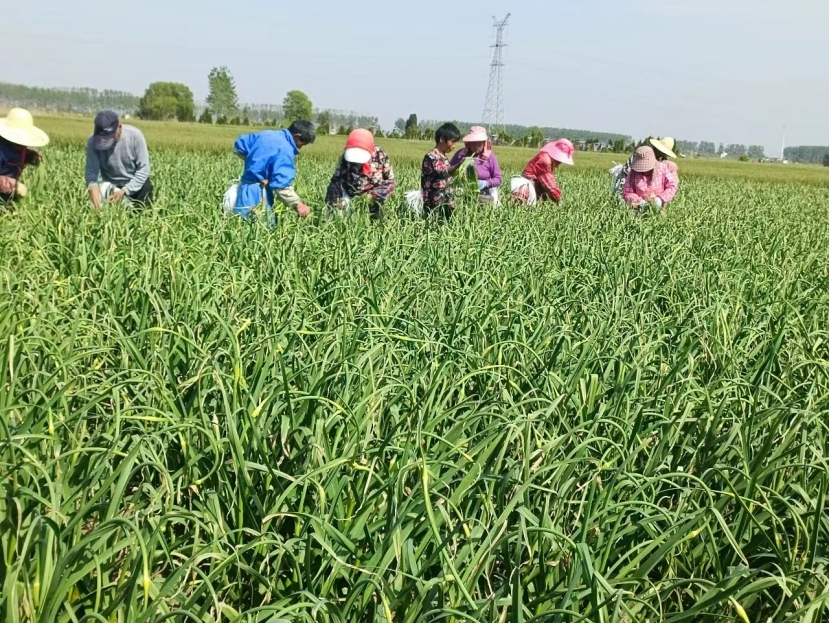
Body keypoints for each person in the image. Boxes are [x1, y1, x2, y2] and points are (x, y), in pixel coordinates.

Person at [230, 120, 315, 223]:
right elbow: (281, 186)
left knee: (240, 226)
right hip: (260, 194)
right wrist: (298, 205)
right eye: (302, 144)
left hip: (245, 190)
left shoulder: (266, 134)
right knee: (260, 228)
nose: (300, 147)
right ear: (297, 137)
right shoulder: (285, 150)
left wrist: (253, 165)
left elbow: (237, 147)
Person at [85, 111, 153, 209]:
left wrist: (124, 191)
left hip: (136, 184)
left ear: (119, 127)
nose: (105, 142)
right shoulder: (92, 142)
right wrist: (97, 204)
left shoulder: (135, 136)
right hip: (112, 186)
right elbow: (91, 175)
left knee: (143, 209)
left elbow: (143, 169)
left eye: (109, 137)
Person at [325, 128, 395, 221]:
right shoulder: (345, 158)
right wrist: (336, 201)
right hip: (349, 198)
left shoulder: (380, 156)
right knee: (345, 222)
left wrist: (373, 196)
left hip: (374, 199)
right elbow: (336, 181)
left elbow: (390, 182)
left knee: (375, 222)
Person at [0, 108, 48, 204]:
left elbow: (19, 153)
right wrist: (14, 186)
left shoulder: (18, 145)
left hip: (7, 194)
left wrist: (30, 156)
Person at [420, 123, 465, 219]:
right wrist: (458, 166)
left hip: (446, 202)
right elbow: (442, 173)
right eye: (452, 142)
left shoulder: (444, 157)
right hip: (434, 204)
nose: (454, 146)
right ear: (441, 139)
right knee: (434, 225)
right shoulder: (431, 156)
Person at [511, 139, 574, 206]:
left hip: (528, 188)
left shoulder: (545, 156)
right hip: (526, 190)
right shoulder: (545, 161)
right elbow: (550, 185)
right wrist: (559, 200)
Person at [449, 126, 502, 204]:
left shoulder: (490, 157)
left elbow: (498, 179)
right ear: (469, 143)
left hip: (483, 193)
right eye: (473, 142)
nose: (476, 145)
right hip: (461, 192)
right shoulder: (460, 155)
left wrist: (485, 183)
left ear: (484, 143)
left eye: (479, 143)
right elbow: (449, 171)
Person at [611, 136, 677, 199]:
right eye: (662, 152)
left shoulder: (661, 161)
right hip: (629, 184)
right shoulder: (642, 154)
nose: (663, 155)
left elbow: (670, 183)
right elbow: (627, 173)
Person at [622, 146, 678, 216]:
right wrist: (639, 201)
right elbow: (627, 193)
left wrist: (661, 199)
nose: (644, 170)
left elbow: (672, 186)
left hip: (661, 207)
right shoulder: (633, 173)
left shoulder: (662, 169)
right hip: (639, 210)